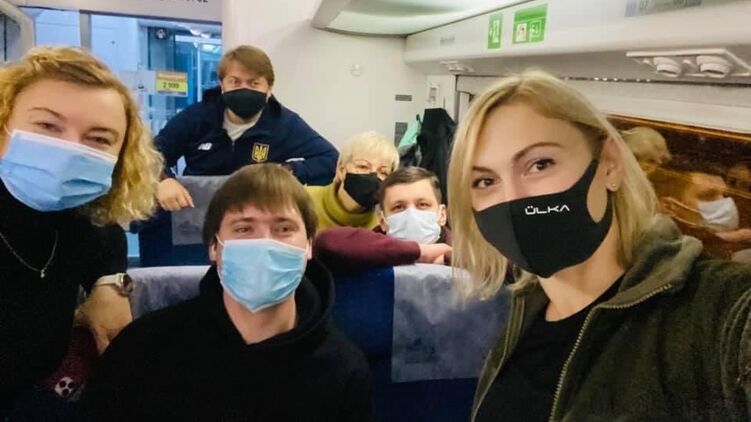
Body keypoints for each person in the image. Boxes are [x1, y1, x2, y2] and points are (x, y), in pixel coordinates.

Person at [446, 70, 751, 421]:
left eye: (540, 164)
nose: (512, 199)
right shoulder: (522, 309)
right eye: (485, 181)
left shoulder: (717, 311)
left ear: (610, 164)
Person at [79, 164, 373, 421]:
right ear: (214, 247)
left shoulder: (341, 367)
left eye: (283, 229)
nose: (264, 243)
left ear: (308, 246)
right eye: (244, 229)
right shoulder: (145, 346)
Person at [0, 47, 162, 416]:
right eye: (47, 126)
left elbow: (107, 233)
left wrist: (109, 283)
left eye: (99, 139)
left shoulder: (76, 221)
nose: (69, 149)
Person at [154, 44, 339, 212]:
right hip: (196, 214)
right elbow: (150, 155)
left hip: (256, 215)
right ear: (222, 85)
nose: (244, 89)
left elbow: (331, 159)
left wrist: (287, 171)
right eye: (235, 82)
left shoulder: (284, 123)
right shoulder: (196, 117)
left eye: (254, 83)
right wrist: (164, 179)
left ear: (269, 89)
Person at [314, 166, 452, 273]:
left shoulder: (458, 252)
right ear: (382, 221)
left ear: (442, 215)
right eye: (399, 207)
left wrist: (451, 258)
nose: (411, 213)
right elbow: (327, 241)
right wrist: (422, 252)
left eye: (422, 205)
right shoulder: (365, 252)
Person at [306, 131, 399, 232]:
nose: (373, 176)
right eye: (363, 166)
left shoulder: (383, 226)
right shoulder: (304, 199)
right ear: (341, 170)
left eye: (383, 172)